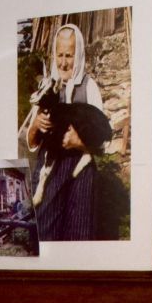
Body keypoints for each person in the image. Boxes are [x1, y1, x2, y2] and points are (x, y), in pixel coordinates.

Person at [18, 21, 111, 243]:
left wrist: (80, 142)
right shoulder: (47, 87)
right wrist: (37, 126)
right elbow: (29, 142)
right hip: (50, 166)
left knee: (78, 232)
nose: (63, 62)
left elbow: (104, 143)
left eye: (69, 55)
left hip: (81, 168)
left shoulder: (89, 87)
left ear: (78, 55)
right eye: (60, 55)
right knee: (46, 230)